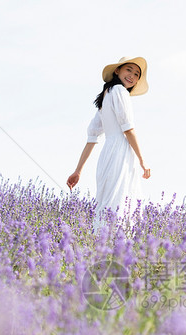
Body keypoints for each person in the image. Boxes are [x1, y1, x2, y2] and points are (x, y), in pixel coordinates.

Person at [67, 56, 151, 231]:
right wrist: (142, 160)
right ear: (117, 70)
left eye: (136, 74)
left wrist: (78, 170)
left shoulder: (106, 97)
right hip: (121, 152)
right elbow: (128, 129)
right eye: (129, 70)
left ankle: (101, 243)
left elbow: (92, 137)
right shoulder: (120, 91)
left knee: (107, 203)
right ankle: (115, 248)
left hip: (107, 154)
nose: (132, 76)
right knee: (121, 202)